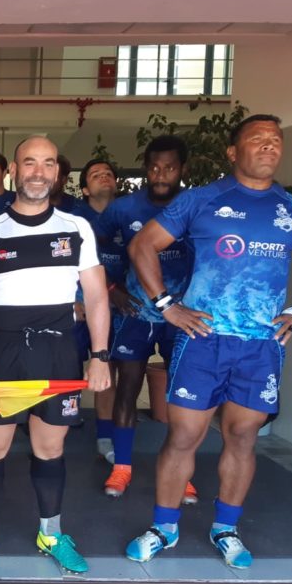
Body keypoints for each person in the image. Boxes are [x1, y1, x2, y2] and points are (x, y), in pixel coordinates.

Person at [125, 115, 292, 569]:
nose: (268, 147)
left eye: (274, 141)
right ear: (232, 151)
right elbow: (143, 245)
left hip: (261, 346)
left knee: (242, 436)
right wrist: (166, 305)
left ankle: (226, 528)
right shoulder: (202, 200)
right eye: (257, 140)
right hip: (202, 341)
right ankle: (164, 528)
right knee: (184, 435)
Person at [0, 137, 112, 578]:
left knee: (51, 448)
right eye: (30, 162)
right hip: (1, 350)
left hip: (59, 350)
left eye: (48, 164)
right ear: (13, 169)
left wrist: (99, 356)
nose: (39, 172)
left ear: (57, 173)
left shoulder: (75, 227)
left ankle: (51, 532)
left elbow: (98, 298)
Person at [96, 137, 197, 501]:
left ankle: (181, 472)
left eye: (169, 167)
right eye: (154, 167)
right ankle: (122, 467)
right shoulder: (123, 209)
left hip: (182, 317)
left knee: (183, 396)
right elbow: (94, 253)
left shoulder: (197, 206)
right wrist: (112, 289)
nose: (160, 174)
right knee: (127, 388)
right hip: (135, 311)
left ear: (182, 168)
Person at [72, 158, 123, 462]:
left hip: (121, 308)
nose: (104, 177)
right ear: (84, 188)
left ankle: (107, 436)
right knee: (73, 367)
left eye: (108, 174)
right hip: (80, 307)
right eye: (95, 175)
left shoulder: (128, 215)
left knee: (110, 371)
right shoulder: (75, 218)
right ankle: (57, 429)